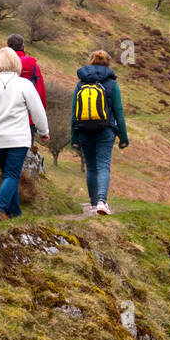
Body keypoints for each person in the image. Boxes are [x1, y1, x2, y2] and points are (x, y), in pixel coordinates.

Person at [0, 47, 49, 221]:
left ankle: (14, 214)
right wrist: (44, 131)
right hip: (19, 138)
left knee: (9, 174)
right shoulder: (24, 85)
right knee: (12, 175)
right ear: (16, 63)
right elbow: (37, 111)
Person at [71, 50, 129, 216]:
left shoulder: (80, 84)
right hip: (106, 131)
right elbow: (118, 111)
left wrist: (74, 137)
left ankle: (92, 203)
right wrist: (123, 137)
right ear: (108, 64)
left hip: (83, 130)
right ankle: (102, 202)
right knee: (103, 166)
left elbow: (74, 112)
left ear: (91, 62)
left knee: (91, 167)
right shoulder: (112, 84)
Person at [6, 34, 47, 142]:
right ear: (23, 47)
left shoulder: (3, 65)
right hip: (28, 119)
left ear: (8, 48)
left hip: (6, 116)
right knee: (26, 153)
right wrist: (41, 121)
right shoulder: (33, 67)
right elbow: (40, 93)